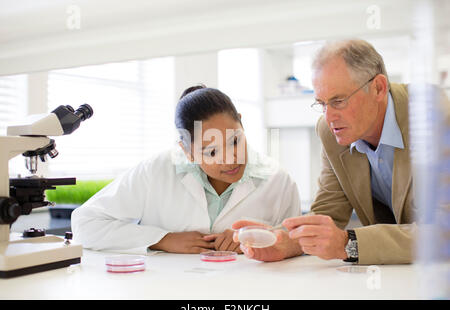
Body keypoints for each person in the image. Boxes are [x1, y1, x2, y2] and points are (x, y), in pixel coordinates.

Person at [234, 39, 421, 265]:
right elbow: (329, 211)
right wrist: (285, 240)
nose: (329, 117)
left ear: (379, 88)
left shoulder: (437, 119)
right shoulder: (331, 132)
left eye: (339, 101)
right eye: (322, 103)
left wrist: (348, 243)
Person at [71, 85, 301, 255]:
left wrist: (253, 239)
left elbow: (296, 244)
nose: (230, 159)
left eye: (234, 141)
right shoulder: (156, 170)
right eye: (211, 152)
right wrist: (161, 239)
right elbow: (85, 224)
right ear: (187, 150)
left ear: (241, 123)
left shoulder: (278, 180)